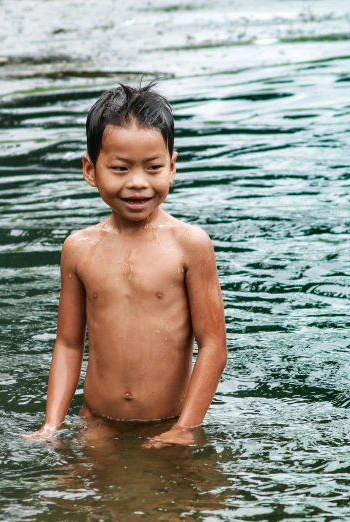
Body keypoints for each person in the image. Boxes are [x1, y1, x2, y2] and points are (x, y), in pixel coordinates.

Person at [25, 82, 227, 447]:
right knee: (77, 498)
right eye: (119, 168)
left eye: (153, 167)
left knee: (183, 502)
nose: (138, 183)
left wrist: (184, 428)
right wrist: (51, 425)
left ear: (172, 166)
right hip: (97, 422)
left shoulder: (190, 245)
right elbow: (69, 344)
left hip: (170, 422)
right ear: (90, 170)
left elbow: (213, 345)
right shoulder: (79, 248)